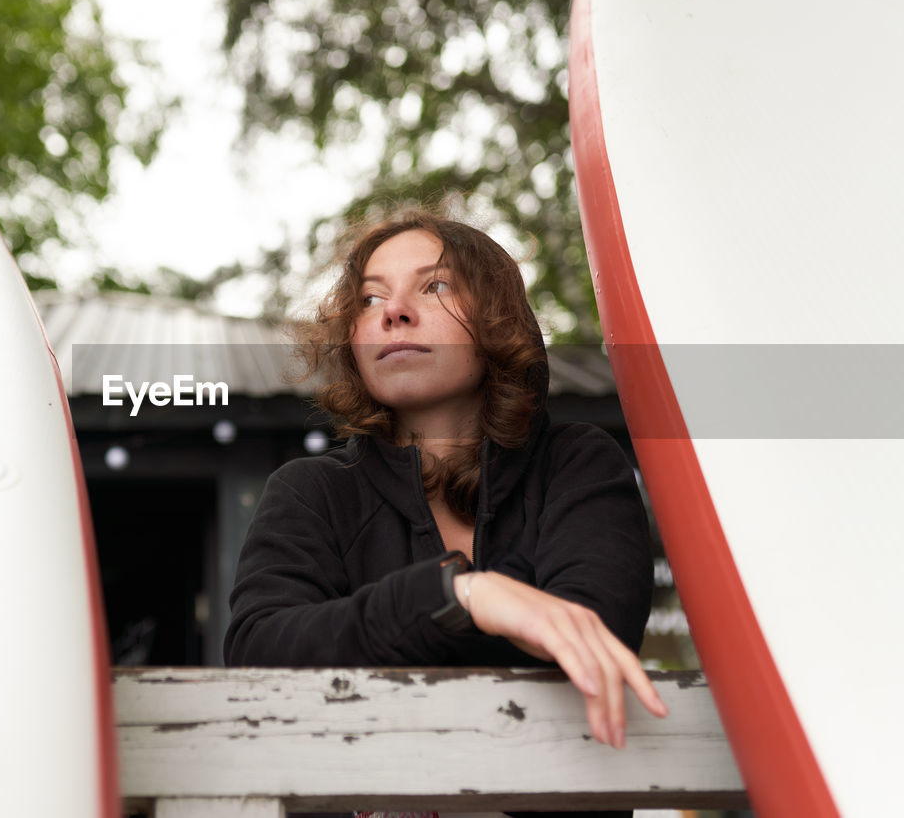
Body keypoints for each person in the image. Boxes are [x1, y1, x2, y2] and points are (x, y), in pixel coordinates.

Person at [223, 207, 668, 816]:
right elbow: (260, 654)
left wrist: (375, 637)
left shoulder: (578, 464)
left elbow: (592, 638)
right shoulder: (308, 492)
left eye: (433, 286)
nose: (392, 311)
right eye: (369, 298)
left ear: (498, 322)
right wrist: (460, 599)